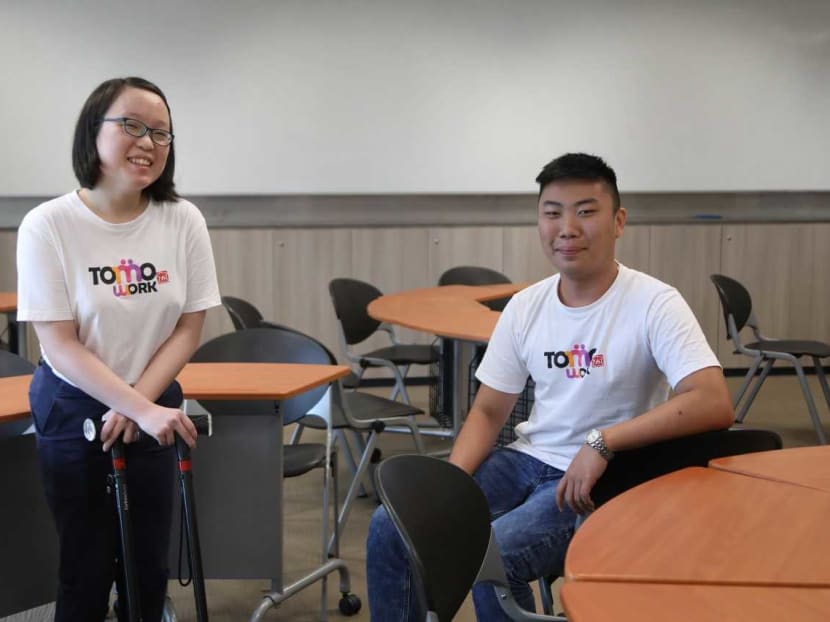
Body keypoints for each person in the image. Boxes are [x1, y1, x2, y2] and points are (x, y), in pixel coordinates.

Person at [366, 152, 734, 620]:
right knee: (392, 525)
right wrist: (452, 487)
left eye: (586, 211)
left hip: (608, 476)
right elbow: (488, 413)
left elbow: (712, 401)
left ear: (618, 221)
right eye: (553, 212)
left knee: (492, 553)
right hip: (525, 461)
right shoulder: (526, 306)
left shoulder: (654, 303)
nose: (568, 228)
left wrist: (603, 442)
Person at [16, 77, 221, 621]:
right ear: (93, 131)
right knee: (84, 572)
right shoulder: (48, 225)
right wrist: (135, 407)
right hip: (74, 407)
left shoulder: (183, 220)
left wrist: (141, 406)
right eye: (131, 125)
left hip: (154, 406)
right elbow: (58, 344)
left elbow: (187, 328)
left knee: (146, 571)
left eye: (161, 132)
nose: (148, 142)